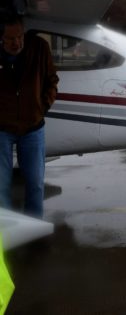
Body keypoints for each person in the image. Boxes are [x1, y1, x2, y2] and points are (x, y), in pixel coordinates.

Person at [0, 12, 59, 218]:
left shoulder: (39, 48)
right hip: (2, 128)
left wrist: (42, 107)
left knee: (35, 184)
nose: (16, 42)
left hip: (33, 126)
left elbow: (52, 80)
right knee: (1, 186)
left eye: (20, 37)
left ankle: (34, 232)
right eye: (10, 39)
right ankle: (5, 236)